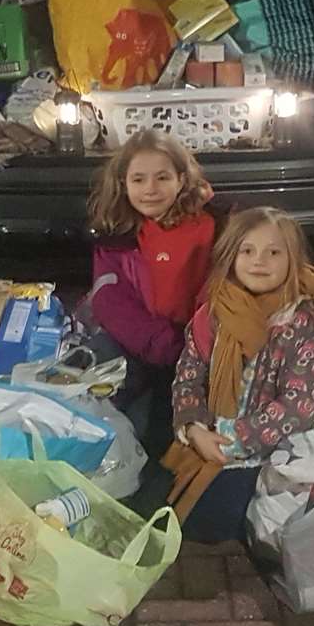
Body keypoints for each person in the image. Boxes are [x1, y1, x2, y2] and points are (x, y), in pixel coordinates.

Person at [169, 207, 314, 544]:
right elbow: (189, 374)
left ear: (292, 261)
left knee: (213, 526)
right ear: (231, 256)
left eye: (273, 252)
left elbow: (300, 403)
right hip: (208, 438)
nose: (259, 261)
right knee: (165, 506)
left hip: (266, 453)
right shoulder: (213, 313)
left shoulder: (302, 325)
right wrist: (193, 427)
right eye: (247, 251)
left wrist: (240, 437)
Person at [86, 129, 217, 458]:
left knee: (165, 433)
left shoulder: (212, 225)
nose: (150, 190)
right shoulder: (117, 235)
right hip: (144, 345)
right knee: (97, 394)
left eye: (162, 178)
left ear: (181, 179)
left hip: (196, 350)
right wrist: (163, 346)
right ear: (123, 184)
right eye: (139, 180)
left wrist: (195, 350)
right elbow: (110, 302)